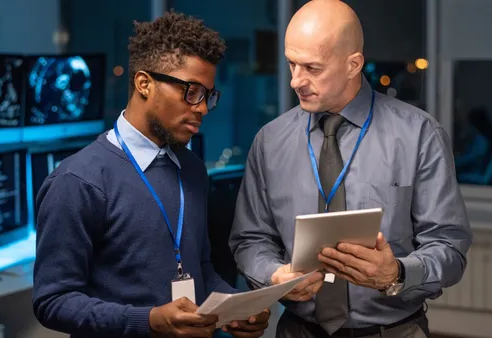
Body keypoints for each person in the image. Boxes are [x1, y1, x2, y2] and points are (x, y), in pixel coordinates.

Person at [229, 1, 473, 337]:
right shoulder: (269, 141)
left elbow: (449, 246)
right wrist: (273, 275)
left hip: (394, 330)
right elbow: (249, 239)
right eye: (291, 64)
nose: (295, 81)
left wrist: (397, 273)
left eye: (312, 68)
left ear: (353, 65)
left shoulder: (419, 135)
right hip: (296, 330)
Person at [32, 11, 270, 338]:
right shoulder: (78, 180)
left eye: (207, 95)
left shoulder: (192, 169)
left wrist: (236, 305)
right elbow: (52, 301)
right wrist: (150, 321)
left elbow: (198, 269)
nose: (201, 108)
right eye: (191, 90)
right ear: (144, 84)